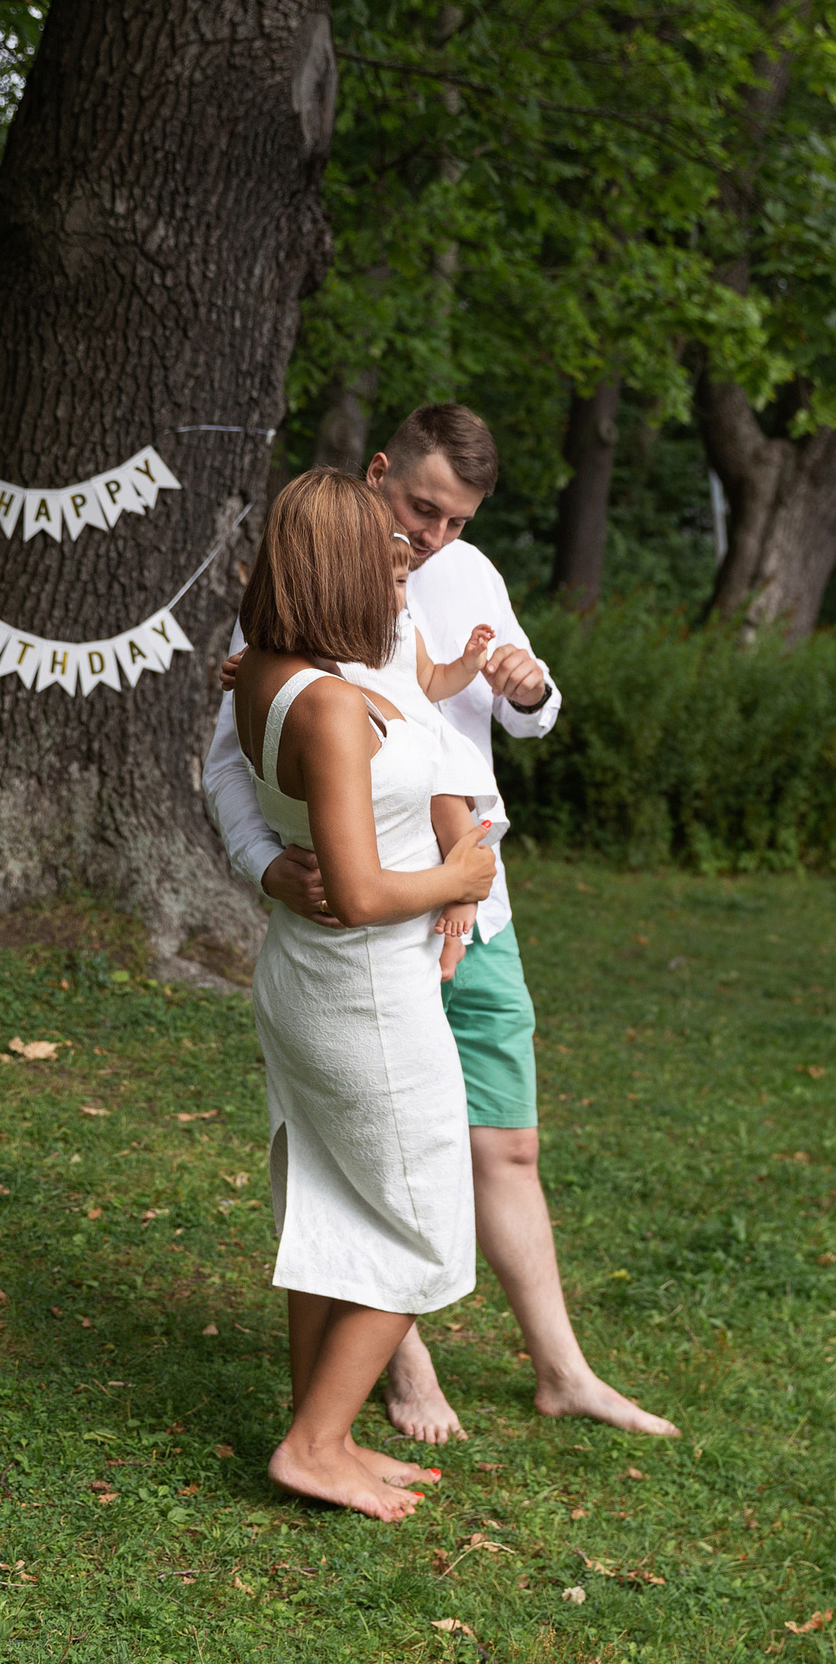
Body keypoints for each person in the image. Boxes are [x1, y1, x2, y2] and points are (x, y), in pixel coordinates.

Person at [204, 402, 678, 1442]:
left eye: (455, 522)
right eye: (421, 512)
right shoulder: (315, 575)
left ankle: (561, 1371)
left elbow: (485, 716)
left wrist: (527, 687)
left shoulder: (456, 578)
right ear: (379, 476)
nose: (431, 540)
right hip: (371, 931)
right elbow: (240, 753)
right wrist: (266, 866)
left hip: (468, 907)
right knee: (382, 1169)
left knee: (496, 1145)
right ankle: (388, 1385)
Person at [230, 469, 497, 1522]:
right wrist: (461, 877)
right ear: (338, 568)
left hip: (306, 978)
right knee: (431, 1223)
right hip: (363, 999)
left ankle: (324, 1433)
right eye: (383, 555)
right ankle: (311, 1445)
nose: (403, 569)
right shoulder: (332, 705)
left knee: (333, 1207)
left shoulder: (269, 672)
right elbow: (360, 891)